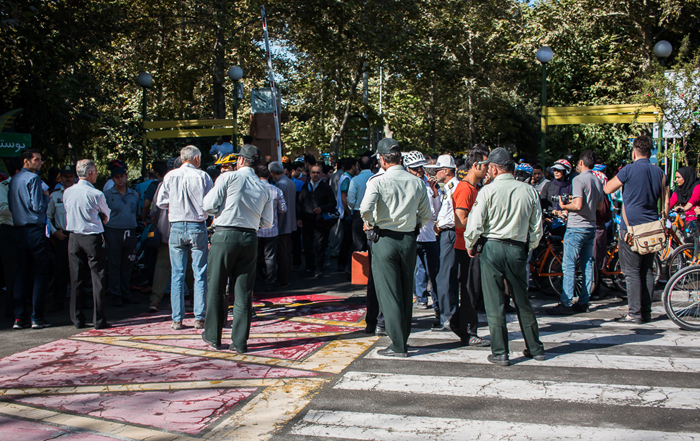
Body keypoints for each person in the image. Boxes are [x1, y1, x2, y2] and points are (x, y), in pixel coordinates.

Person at [465, 148, 545, 366]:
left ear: (493, 168)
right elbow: (537, 227)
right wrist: (528, 247)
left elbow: (475, 224)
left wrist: (470, 244)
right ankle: (535, 347)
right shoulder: (528, 191)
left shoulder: (487, 191)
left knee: (494, 302)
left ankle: (500, 352)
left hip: (492, 247)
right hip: (517, 247)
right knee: (522, 300)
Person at [360, 139, 432, 356]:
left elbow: (365, 208)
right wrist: (415, 225)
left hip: (385, 239)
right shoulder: (416, 181)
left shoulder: (377, 180)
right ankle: (403, 338)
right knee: (405, 289)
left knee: (389, 292)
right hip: (409, 238)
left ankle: (397, 344)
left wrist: (370, 223)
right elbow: (427, 214)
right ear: (400, 158)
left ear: (381, 159)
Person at [202, 144, 273, 352]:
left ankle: (213, 336)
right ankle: (240, 342)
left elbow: (208, 205)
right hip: (250, 238)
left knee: (216, 287)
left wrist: (222, 210)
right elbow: (267, 222)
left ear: (240, 160)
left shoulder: (227, 177)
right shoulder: (264, 187)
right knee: (244, 292)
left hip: (224, 234)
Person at [604, 135, 668, 323]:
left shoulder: (628, 170)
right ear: (650, 152)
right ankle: (646, 312)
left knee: (631, 272)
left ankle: (634, 314)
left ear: (634, 152)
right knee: (647, 270)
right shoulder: (660, 173)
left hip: (631, 228)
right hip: (652, 228)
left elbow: (608, 189)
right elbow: (665, 203)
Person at [156, 146, 213, 330]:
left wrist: (176, 204)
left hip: (177, 226)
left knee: (177, 274)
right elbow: (211, 203)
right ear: (196, 157)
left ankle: (177, 319)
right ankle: (199, 317)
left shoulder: (170, 176)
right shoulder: (203, 176)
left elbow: (161, 202)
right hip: (197, 226)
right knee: (200, 273)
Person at [546, 151, 605, 315]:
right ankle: (584, 301)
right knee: (586, 265)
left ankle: (566, 302)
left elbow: (578, 205)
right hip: (591, 226)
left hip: (576, 226)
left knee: (569, 264)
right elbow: (599, 207)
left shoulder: (578, 179)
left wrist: (564, 206)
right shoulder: (597, 180)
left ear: (580, 163)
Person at [63, 159, 111, 329]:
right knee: (98, 277)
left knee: (76, 278)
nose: (97, 174)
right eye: (96, 172)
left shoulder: (68, 192)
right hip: (92, 237)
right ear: (90, 173)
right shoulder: (96, 194)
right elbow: (106, 214)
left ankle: (77, 318)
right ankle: (99, 319)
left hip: (74, 236)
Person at [450, 149, 491, 347]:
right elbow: (460, 220)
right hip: (466, 246)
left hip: (470, 245)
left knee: (472, 289)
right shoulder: (466, 189)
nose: (489, 169)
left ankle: (459, 322)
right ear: (476, 165)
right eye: (486, 164)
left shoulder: (474, 187)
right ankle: (468, 331)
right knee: (470, 290)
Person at [8, 148, 50, 329]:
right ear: (26, 161)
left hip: (19, 229)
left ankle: (19, 317)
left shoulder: (14, 179)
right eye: (37, 160)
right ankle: (37, 317)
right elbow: (37, 206)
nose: (40, 163)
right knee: (40, 274)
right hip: (34, 230)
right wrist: (46, 198)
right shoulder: (34, 179)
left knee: (21, 274)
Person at [348, 154, 384, 335]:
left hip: (361, 216)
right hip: (378, 222)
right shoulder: (376, 178)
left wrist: (358, 213)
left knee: (360, 247)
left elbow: (352, 200)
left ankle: (360, 275)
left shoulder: (358, 179)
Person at [403, 151, 441, 318]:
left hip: (428, 235)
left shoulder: (430, 185)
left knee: (433, 271)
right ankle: (420, 298)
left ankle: (438, 305)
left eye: (420, 168)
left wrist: (434, 194)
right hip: (410, 235)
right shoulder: (404, 184)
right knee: (415, 270)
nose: (419, 171)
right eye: (414, 168)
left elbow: (436, 212)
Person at [426, 154, 460, 331]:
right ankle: (450, 315)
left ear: (446, 171)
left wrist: (440, 224)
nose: (435, 173)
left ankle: (448, 318)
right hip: (446, 233)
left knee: (444, 276)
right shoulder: (447, 188)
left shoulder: (454, 187)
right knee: (447, 276)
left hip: (450, 233)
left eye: (437, 170)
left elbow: (454, 214)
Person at [104, 166, 140, 306]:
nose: (120, 179)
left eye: (122, 176)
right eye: (116, 177)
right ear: (113, 179)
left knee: (128, 265)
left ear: (126, 177)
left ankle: (126, 293)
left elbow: (136, 213)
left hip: (130, 231)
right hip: (113, 231)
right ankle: (115, 294)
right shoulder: (107, 195)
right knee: (114, 264)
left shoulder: (133, 195)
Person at [297, 164, 336, 278]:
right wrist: (299, 218)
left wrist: (322, 209)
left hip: (321, 222)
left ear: (322, 174)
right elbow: (299, 204)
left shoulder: (326, 188)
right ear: (310, 174)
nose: (315, 175)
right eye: (313, 172)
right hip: (307, 220)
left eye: (318, 173)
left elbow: (332, 204)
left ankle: (318, 268)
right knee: (307, 244)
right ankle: (309, 267)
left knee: (320, 246)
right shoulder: (305, 187)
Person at [46, 164, 77, 311]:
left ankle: (80, 302)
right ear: (61, 178)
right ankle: (58, 301)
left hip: (77, 235)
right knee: (61, 270)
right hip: (61, 235)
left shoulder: (79, 193)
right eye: (65, 176)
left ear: (75, 177)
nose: (68, 179)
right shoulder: (55, 195)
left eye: (71, 176)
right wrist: (54, 232)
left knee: (80, 269)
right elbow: (46, 217)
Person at [255, 165, 287, 290]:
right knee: (270, 257)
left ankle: (256, 280)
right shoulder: (276, 190)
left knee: (256, 256)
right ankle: (270, 282)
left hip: (256, 229)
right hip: (271, 229)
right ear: (269, 175)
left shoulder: (253, 190)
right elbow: (283, 209)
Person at [269, 161, 296, 287]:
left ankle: (283, 278)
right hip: (290, 221)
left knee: (282, 253)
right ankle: (286, 277)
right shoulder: (290, 182)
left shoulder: (279, 185)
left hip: (282, 222)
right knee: (286, 251)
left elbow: (279, 208)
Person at [0, 159, 21, 320]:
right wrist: (21, 207)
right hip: (7, 231)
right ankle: (10, 308)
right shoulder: (3, 186)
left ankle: (19, 306)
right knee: (10, 272)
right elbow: (2, 209)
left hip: (21, 230)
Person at [336, 158, 358, 272]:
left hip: (345, 212)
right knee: (347, 241)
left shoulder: (346, 177)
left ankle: (342, 263)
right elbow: (344, 197)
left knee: (346, 240)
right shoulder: (347, 179)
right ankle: (342, 264)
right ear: (353, 166)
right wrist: (349, 213)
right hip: (346, 213)